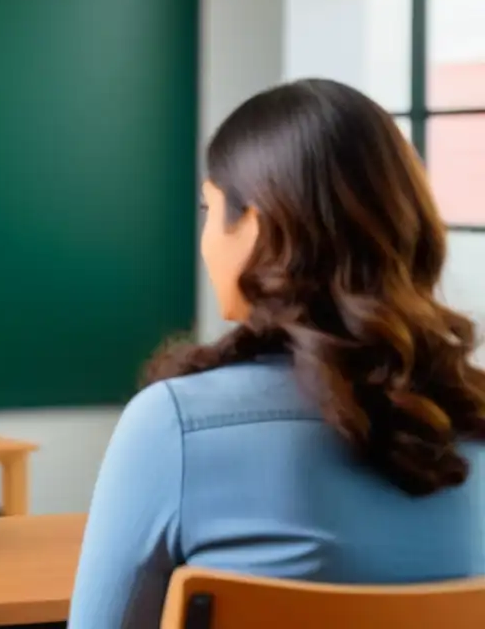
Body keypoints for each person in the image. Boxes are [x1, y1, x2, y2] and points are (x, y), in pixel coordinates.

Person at [68, 79, 485, 627]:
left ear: (258, 227)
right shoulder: (472, 417)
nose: (206, 240)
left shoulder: (173, 427)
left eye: (209, 208)